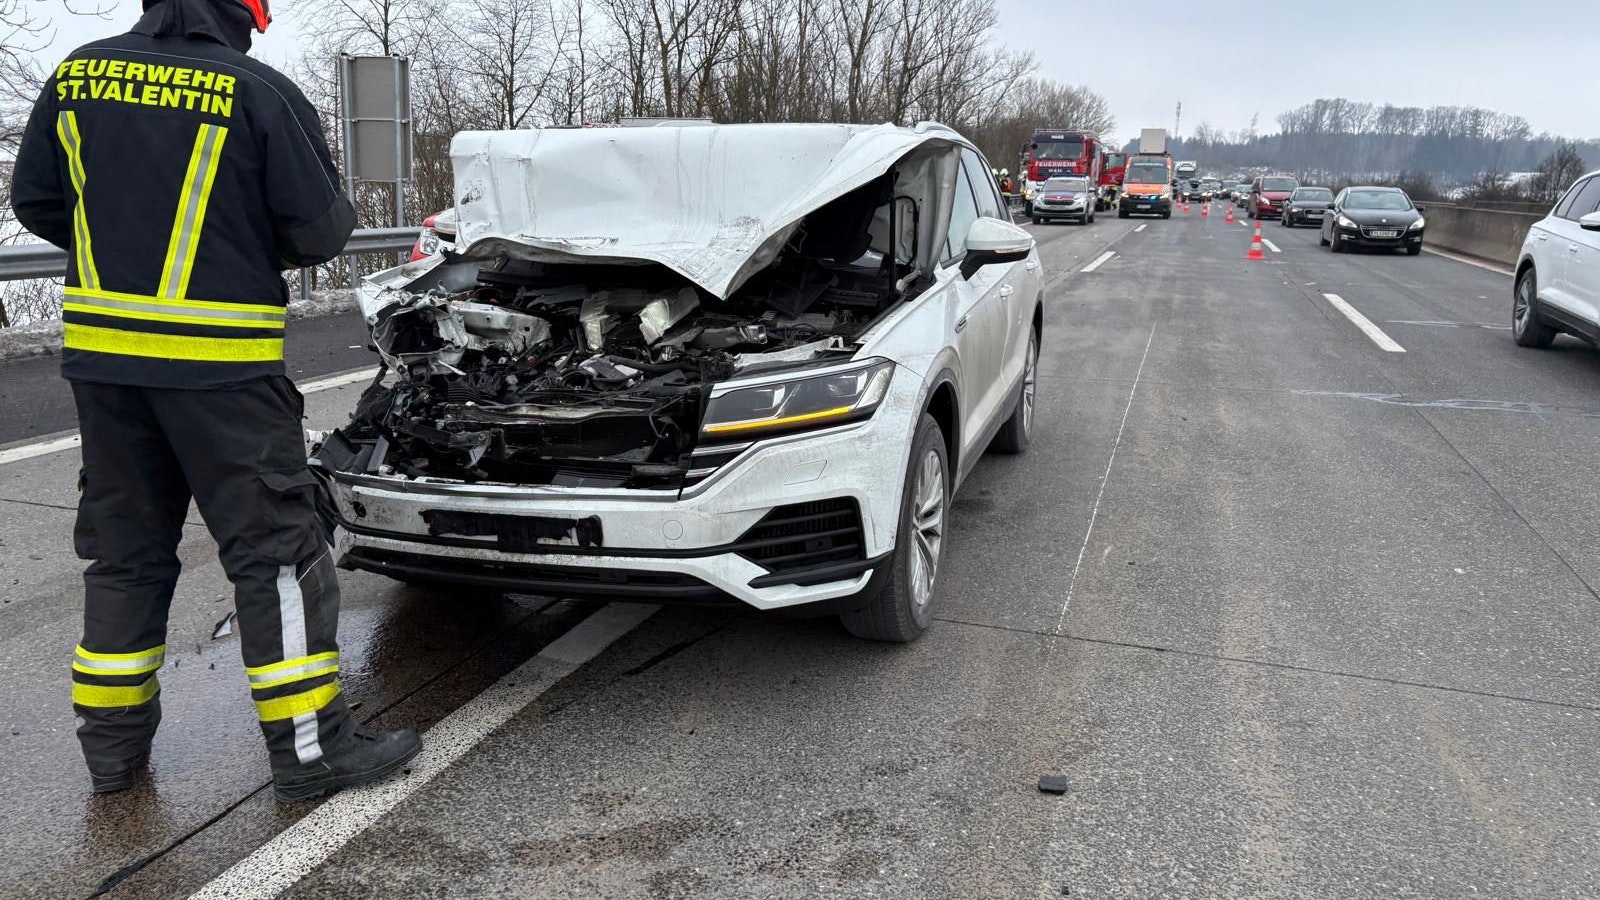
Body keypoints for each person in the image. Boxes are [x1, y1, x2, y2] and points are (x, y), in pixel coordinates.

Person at [9, 0, 422, 802]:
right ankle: (311, 751)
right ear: (241, 12)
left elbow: (38, 203)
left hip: (106, 368)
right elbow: (320, 232)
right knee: (276, 556)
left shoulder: (79, 74)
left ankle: (113, 758)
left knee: (124, 557)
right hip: (221, 371)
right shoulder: (254, 90)